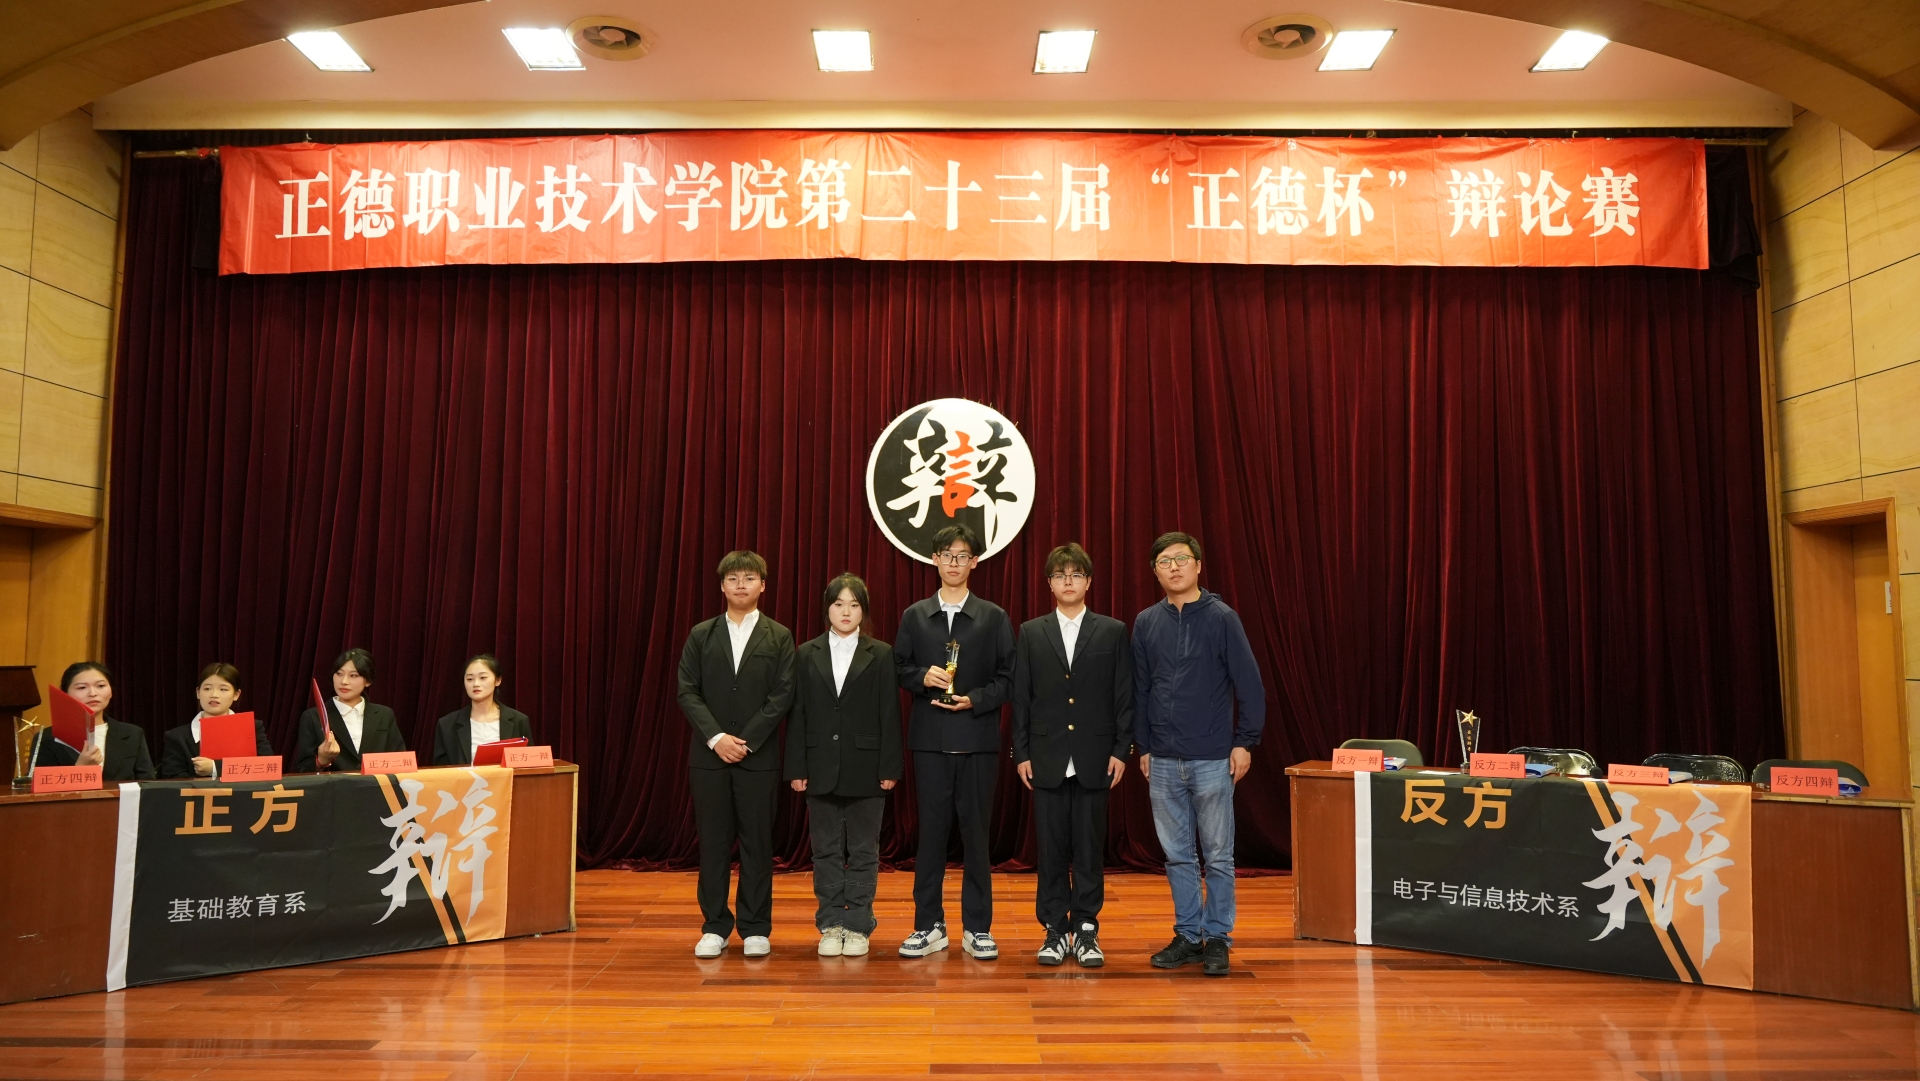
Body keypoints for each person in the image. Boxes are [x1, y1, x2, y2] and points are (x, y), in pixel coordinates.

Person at [1133, 531, 1265, 976]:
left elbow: (1249, 685)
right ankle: (1189, 935)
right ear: (1155, 572)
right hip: (1163, 758)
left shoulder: (1222, 618)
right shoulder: (1146, 622)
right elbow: (1141, 689)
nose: (1174, 567)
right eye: (1164, 561)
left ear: (1198, 565)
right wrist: (1144, 746)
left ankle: (1218, 937)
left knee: (1219, 856)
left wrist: (1244, 742)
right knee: (1177, 855)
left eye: (1182, 559)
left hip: (1212, 756)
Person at [894, 523, 1015, 961]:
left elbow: (1009, 677)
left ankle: (978, 928)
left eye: (962, 556)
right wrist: (920, 677)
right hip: (929, 741)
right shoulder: (914, 615)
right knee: (929, 836)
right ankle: (928, 925)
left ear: (975, 562)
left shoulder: (993, 616)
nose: (954, 563)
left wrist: (975, 700)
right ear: (934, 559)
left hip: (977, 740)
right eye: (947, 555)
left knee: (976, 838)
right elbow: (899, 667)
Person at [1012, 543, 1133, 968]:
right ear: (1049, 583)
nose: (1068, 581)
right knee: (1050, 849)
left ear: (1088, 582)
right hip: (1045, 756)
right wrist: (1021, 751)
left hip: (1096, 756)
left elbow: (1123, 694)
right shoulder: (1031, 631)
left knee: (1088, 847)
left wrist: (1121, 749)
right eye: (1060, 575)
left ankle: (1085, 928)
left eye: (1076, 574)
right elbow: (1022, 697)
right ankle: (1053, 928)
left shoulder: (1112, 631)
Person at [677, 550, 796, 959]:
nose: (740, 585)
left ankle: (756, 927)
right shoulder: (701, 634)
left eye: (749, 578)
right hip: (709, 758)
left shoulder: (779, 636)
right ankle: (714, 926)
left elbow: (783, 694)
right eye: (733, 578)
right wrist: (716, 738)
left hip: (757, 758)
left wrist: (745, 740)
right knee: (712, 844)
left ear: (763, 585)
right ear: (722, 586)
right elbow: (687, 691)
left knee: (757, 844)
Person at [785, 573, 902, 958]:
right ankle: (831, 924)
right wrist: (797, 767)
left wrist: (890, 767)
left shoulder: (881, 653)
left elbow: (890, 713)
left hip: (867, 767)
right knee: (826, 851)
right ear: (828, 609)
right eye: (838, 604)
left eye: (854, 604)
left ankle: (858, 926)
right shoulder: (806, 653)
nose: (846, 611)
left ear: (863, 610)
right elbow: (798, 713)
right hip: (819, 766)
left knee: (865, 851)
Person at [29, 661, 155, 781]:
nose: (93, 693)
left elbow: (147, 782)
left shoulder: (132, 733)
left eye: (100, 686)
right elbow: (39, 787)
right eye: (82, 687)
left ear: (111, 691)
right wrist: (80, 768)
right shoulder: (47, 738)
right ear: (65, 694)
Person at [293, 648, 409, 773]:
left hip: (376, 784)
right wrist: (322, 760)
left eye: (353, 675)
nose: (344, 681)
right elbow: (302, 769)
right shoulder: (313, 716)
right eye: (339, 674)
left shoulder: (384, 714)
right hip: (335, 785)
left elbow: (400, 760)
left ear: (368, 681)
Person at [158, 663, 274, 779]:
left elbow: (269, 767)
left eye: (223, 689)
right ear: (198, 693)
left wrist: (215, 768)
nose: (214, 695)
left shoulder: (252, 727)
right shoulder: (177, 737)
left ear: (236, 694)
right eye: (207, 689)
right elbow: (172, 778)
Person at [432, 654, 532, 766]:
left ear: (498, 680)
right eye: (470, 679)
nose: (476, 684)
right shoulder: (447, 724)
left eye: (483, 678)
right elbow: (441, 769)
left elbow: (528, 765)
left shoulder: (519, 721)